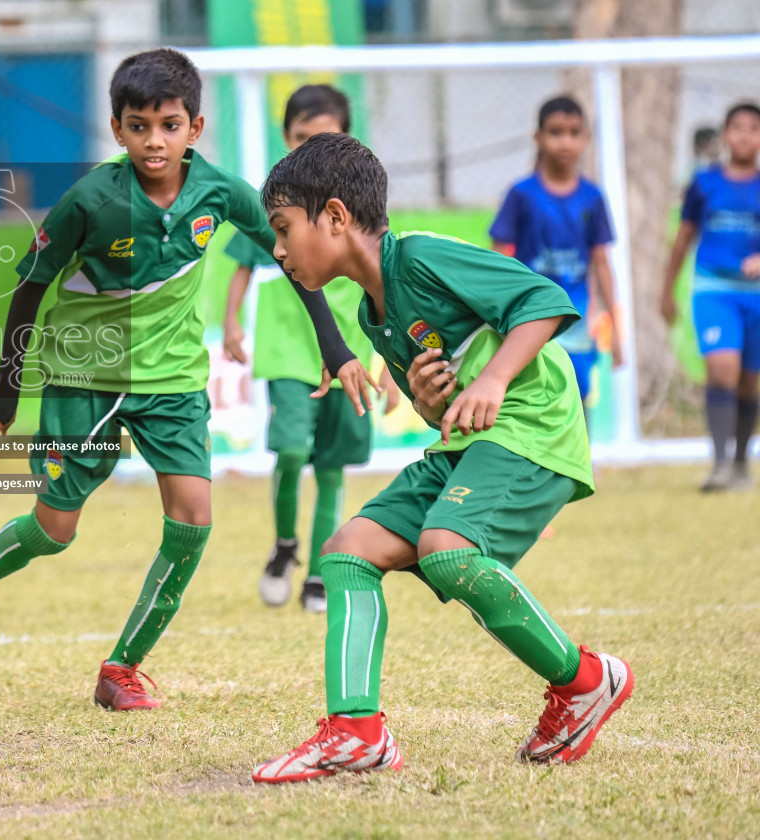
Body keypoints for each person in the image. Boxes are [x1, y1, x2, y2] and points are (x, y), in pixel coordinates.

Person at [0, 49, 374, 712]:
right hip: (83, 377)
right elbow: (29, 288)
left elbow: (290, 259)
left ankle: (123, 667)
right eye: (139, 126)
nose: (154, 140)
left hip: (172, 381)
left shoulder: (222, 193)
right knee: (55, 530)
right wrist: (5, 391)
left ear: (194, 129)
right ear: (118, 130)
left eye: (169, 125)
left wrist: (336, 345)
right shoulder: (89, 200)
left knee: (194, 520)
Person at [250, 132, 632, 782]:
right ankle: (356, 733)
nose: (280, 250)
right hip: (469, 440)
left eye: (284, 229)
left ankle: (588, 680)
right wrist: (433, 401)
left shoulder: (423, 258)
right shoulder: (375, 316)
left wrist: (493, 380)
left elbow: (543, 302)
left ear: (337, 217)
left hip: (532, 426)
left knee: (446, 548)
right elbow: (443, 410)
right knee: (347, 553)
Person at [221, 84, 399, 613]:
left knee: (330, 466)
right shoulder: (275, 206)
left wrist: (389, 364)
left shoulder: (359, 212)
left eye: (326, 137)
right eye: (303, 138)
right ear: (286, 139)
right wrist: (231, 322)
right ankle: (284, 547)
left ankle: (321, 573)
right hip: (287, 351)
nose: (312, 148)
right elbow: (244, 263)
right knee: (293, 450)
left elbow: (385, 286)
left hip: (347, 354)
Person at [489, 96, 622, 417]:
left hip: (574, 322)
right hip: (525, 321)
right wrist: (494, 317)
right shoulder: (521, 194)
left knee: (575, 399)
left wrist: (617, 330)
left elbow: (601, 262)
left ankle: (579, 467)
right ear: (538, 137)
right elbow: (498, 259)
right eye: (556, 131)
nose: (566, 141)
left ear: (586, 139)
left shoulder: (592, 198)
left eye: (574, 132)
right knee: (527, 402)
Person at [661, 101, 760, 491]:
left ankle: (740, 465)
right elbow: (683, 239)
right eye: (737, 127)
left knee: (749, 382)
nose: (745, 135)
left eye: (753, 128)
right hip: (713, 291)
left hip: (755, 296)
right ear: (724, 134)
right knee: (722, 370)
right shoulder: (704, 183)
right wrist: (665, 291)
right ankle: (719, 465)